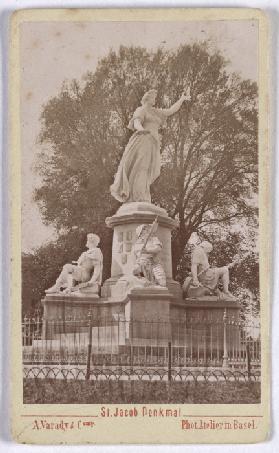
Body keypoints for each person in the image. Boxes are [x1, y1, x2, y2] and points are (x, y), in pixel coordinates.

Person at [110, 88, 190, 203]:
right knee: (141, 166)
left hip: (154, 142)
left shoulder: (156, 112)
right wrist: (142, 130)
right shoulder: (141, 110)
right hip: (144, 139)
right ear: (147, 99)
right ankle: (138, 196)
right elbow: (136, 122)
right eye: (153, 98)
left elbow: (171, 110)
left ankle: (142, 194)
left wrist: (182, 99)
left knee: (148, 168)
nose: (155, 100)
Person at [132, 221, 166, 287]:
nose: (146, 231)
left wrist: (148, 250)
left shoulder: (154, 239)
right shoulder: (137, 244)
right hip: (142, 264)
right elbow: (135, 257)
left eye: (147, 229)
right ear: (140, 234)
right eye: (144, 230)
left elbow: (158, 249)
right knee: (135, 272)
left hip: (154, 263)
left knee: (162, 283)